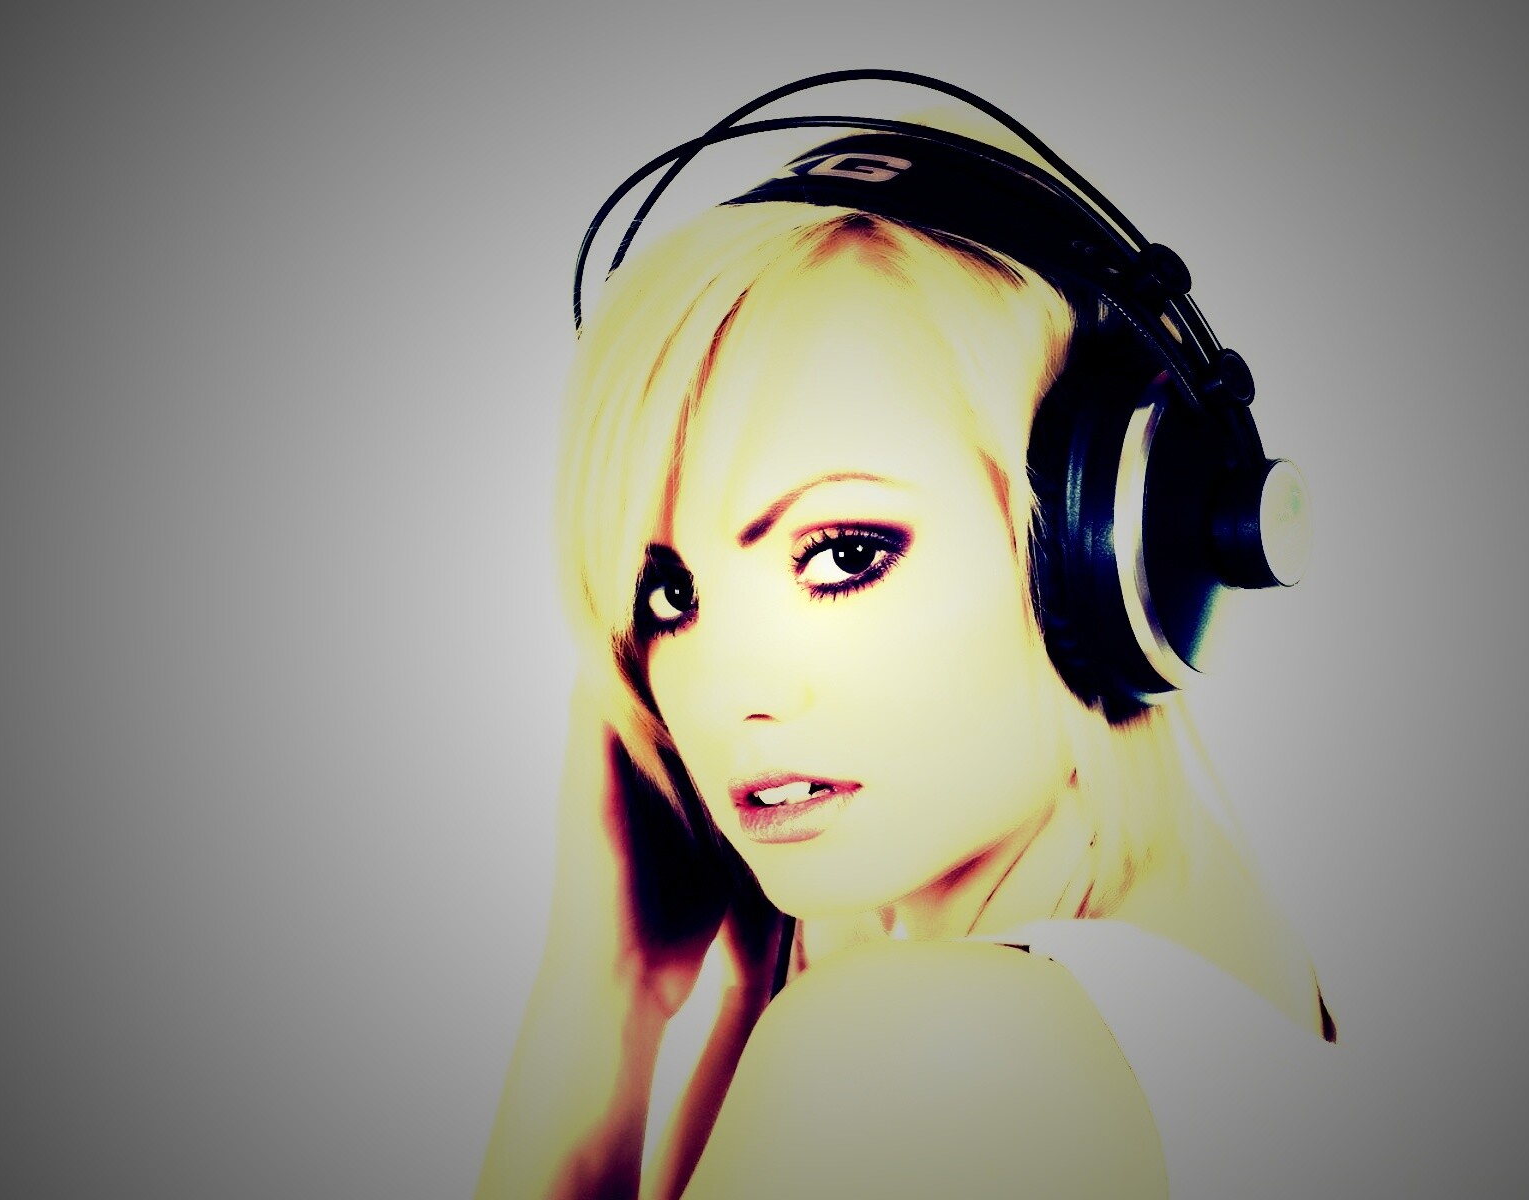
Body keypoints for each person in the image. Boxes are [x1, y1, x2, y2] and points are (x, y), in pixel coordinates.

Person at [477, 75, 1332, 1200]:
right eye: (672, 594)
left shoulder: (917, 1052)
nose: (723, 694)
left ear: (1113, 547)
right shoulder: (1238, 987)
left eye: (841, 553)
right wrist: (740, 1004)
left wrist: (602, 1003)